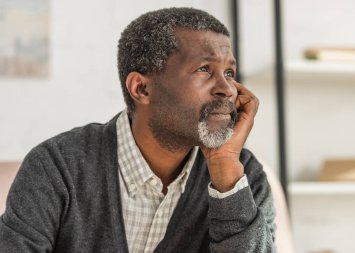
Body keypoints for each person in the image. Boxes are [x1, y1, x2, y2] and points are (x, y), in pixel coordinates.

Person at [0, 7, 276, 253]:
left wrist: (225, 173)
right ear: (141, 89)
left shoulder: (244, 178)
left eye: (229, 73)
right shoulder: (58, 167)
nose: (227, 89)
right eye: (204, 69)